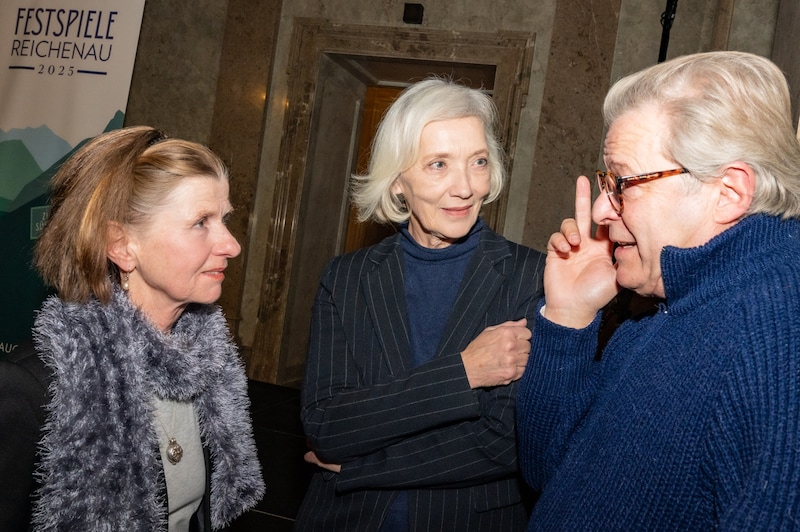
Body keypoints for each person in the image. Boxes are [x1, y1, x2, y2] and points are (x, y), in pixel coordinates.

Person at [516, 51, 800, 529]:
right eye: (609, 183)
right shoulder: (669, 301)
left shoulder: (777, 336)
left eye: (624, 183)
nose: (602, 211)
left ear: (729, 191)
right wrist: (568, 316)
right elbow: (548, 470)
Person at [294, 78, 545, 531]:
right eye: (438, 165)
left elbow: (504, 441)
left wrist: (362, 468)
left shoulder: (531, 276)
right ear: (396, 183)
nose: (465, 187)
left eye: (478, 162)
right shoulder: (347, 277)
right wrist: (463, 372)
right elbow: (328, 427)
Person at [0, 126, 265, 531]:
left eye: (224, 219)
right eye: (200, 222)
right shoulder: (34, 387)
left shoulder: (211, 369)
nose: (231, 244)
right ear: (122, 246)